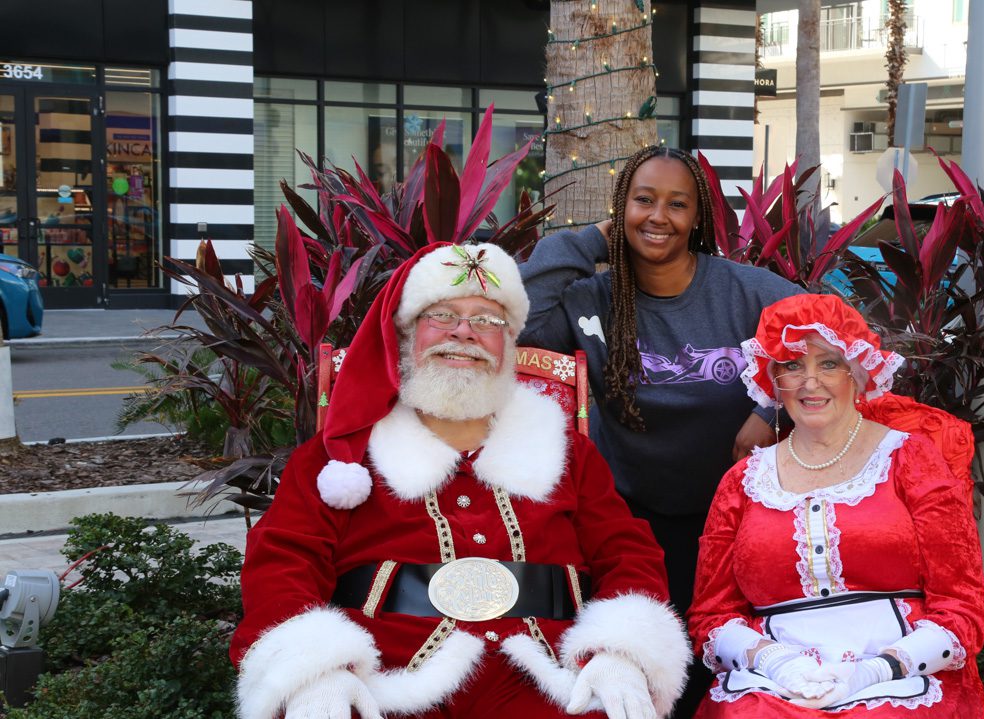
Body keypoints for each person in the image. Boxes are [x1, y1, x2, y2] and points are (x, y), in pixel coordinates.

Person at [230, 242, 691, 719]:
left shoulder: (568, 452)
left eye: (488, 320)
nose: (464, 332)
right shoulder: (339, 456)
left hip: (553, 681)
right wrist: (315, 671)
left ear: (508, 344)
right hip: (385, 683)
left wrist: (619, 652)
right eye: (442, 315)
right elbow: (284, 561)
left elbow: (626, 552)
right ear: (407, 334)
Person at [519, 145, 802, 614]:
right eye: (644, 200)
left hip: (737, 514)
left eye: (677, 204)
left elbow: (835, 340)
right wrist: (588, 242)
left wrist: (772, 409)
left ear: (697, 218)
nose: (658, 216)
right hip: (627, 521)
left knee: (719, 643)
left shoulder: (745, 291)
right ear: (621, 208)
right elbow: (517, 323)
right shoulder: (591, 300)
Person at [688, 294, 984, 717]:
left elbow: (962, 603)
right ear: (773, 380)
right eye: (793, 365)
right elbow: (712, 613)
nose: (810, 383)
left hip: (902, 671)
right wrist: (774, 661)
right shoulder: (741, 482)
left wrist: (878, 670)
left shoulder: (912, 460)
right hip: (772, 680)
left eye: (829, 363)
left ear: (858, 373)